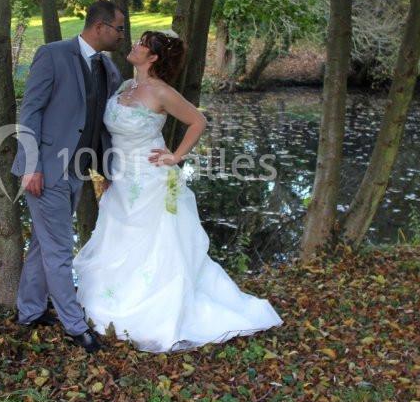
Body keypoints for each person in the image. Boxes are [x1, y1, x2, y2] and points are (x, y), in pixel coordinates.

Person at [72, 31, 283, 353]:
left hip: (153, 178)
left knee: (157, 245)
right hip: (121, 176)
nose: (136, 45)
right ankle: (112, 300)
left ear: (153, 57)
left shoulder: (161, 92)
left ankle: (154, 310)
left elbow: (197, 122)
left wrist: (176, 155)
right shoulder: (127, 86)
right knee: (118, 239)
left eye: (143, 44)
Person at [10, 0, 125, 353]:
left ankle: (29, 312)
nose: (122, 36)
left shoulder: (109, 68)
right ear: (100, 27)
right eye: (119, 29)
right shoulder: (54, 54)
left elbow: (103, 127)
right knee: (60, 249)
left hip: (78, 171)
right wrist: (31, 166)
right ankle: (76, 327)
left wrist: (105, 171)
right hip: (46, 170)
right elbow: (31, 110)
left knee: (44, 245)